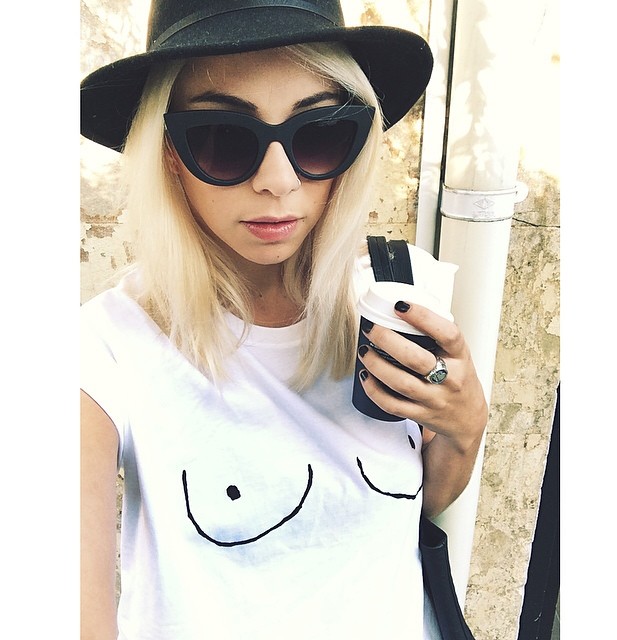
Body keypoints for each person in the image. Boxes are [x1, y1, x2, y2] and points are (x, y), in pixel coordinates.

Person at [80, 1, 488, 638]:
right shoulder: (103, 350)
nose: (278, 180)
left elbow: (406, 505)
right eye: (222, 139)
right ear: (166, 152)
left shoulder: (394, 299)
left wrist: (464, 429)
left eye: (319, 131)